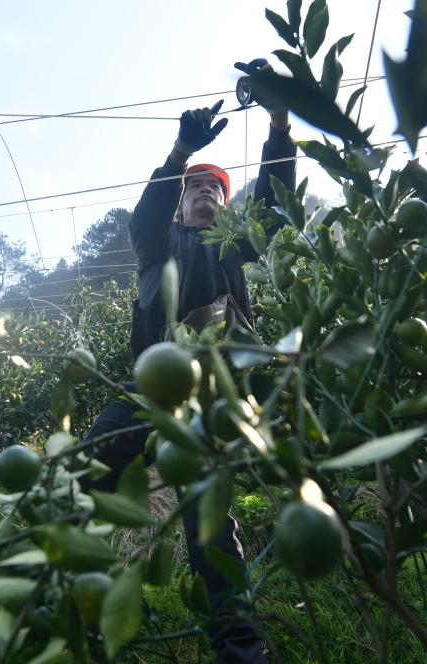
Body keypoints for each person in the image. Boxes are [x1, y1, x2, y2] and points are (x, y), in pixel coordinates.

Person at [79, 62, 296, 664]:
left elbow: (276, 201)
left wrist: (279, 119)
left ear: (229, 209)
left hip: (214, 399)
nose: (205, 193)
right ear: (179, 206)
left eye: (216, 190)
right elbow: (143, 213)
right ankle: (75, 601)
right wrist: (180, 151)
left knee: (210, 523)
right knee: (81, 473)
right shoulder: (158, 244)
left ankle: (240, 648)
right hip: (151, 387)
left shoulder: (237, 247)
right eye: (195, 189)